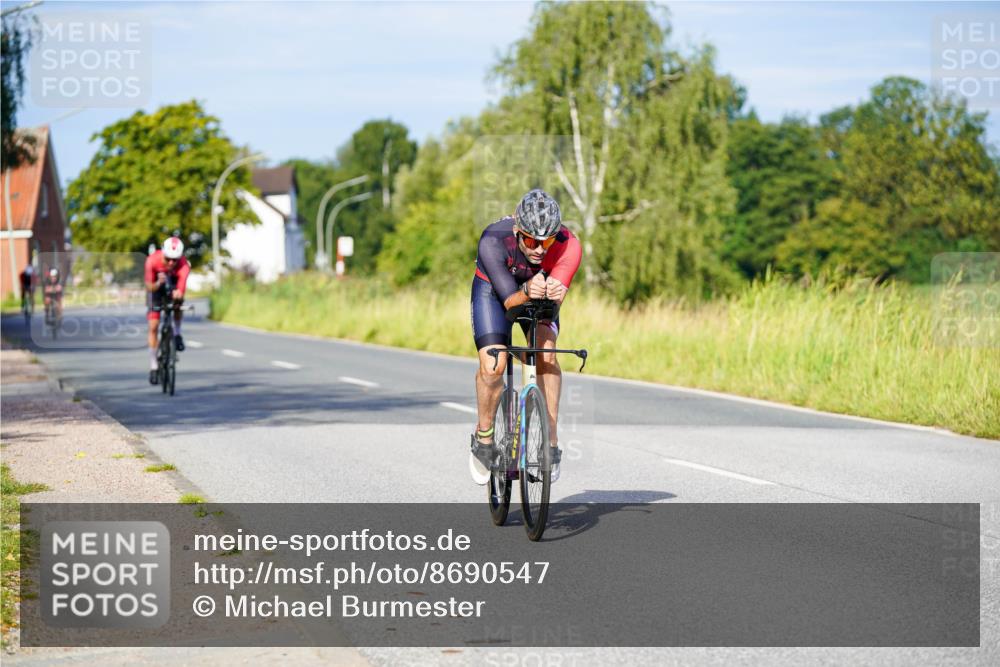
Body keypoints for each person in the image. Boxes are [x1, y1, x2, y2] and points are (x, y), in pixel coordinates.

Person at [469, 189, 582, 484]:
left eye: (546, 242)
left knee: (546, 352)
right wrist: (528, 290)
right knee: (494, 366)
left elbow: (554, 299)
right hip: (495, 292)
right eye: (531, 241)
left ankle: (552, 445)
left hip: (537, 292)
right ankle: (484, 439)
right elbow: (509, 301)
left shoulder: (569, 245)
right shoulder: (493, 240)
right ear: (518, 231)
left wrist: (555, 293)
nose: (539, 250)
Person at [145, 237, 190, 384]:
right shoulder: (152, 261)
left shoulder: (183, 264)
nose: (171, 263)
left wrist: (178, 294)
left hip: (173, 287)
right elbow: (149, 287)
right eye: (168, 259)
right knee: (153, 325)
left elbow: (181, 285)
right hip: (156, 291)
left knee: (178, 302)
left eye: (175, 260)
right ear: (163, 253)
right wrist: (158, 282)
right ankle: (153, 365)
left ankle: (177, 333)